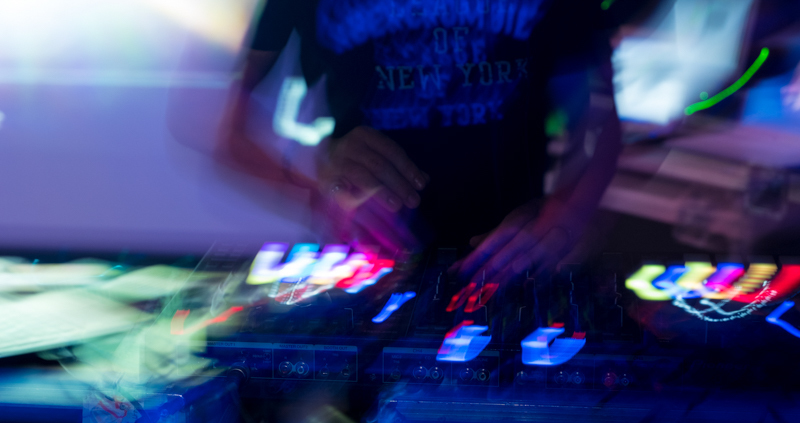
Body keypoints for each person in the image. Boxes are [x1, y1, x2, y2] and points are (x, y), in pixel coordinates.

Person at [218, 0, 622, 288]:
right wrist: (319, 186)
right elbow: (230, 128)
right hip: (375, 271)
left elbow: (600, 120)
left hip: (513, 264)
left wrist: (565, 214)